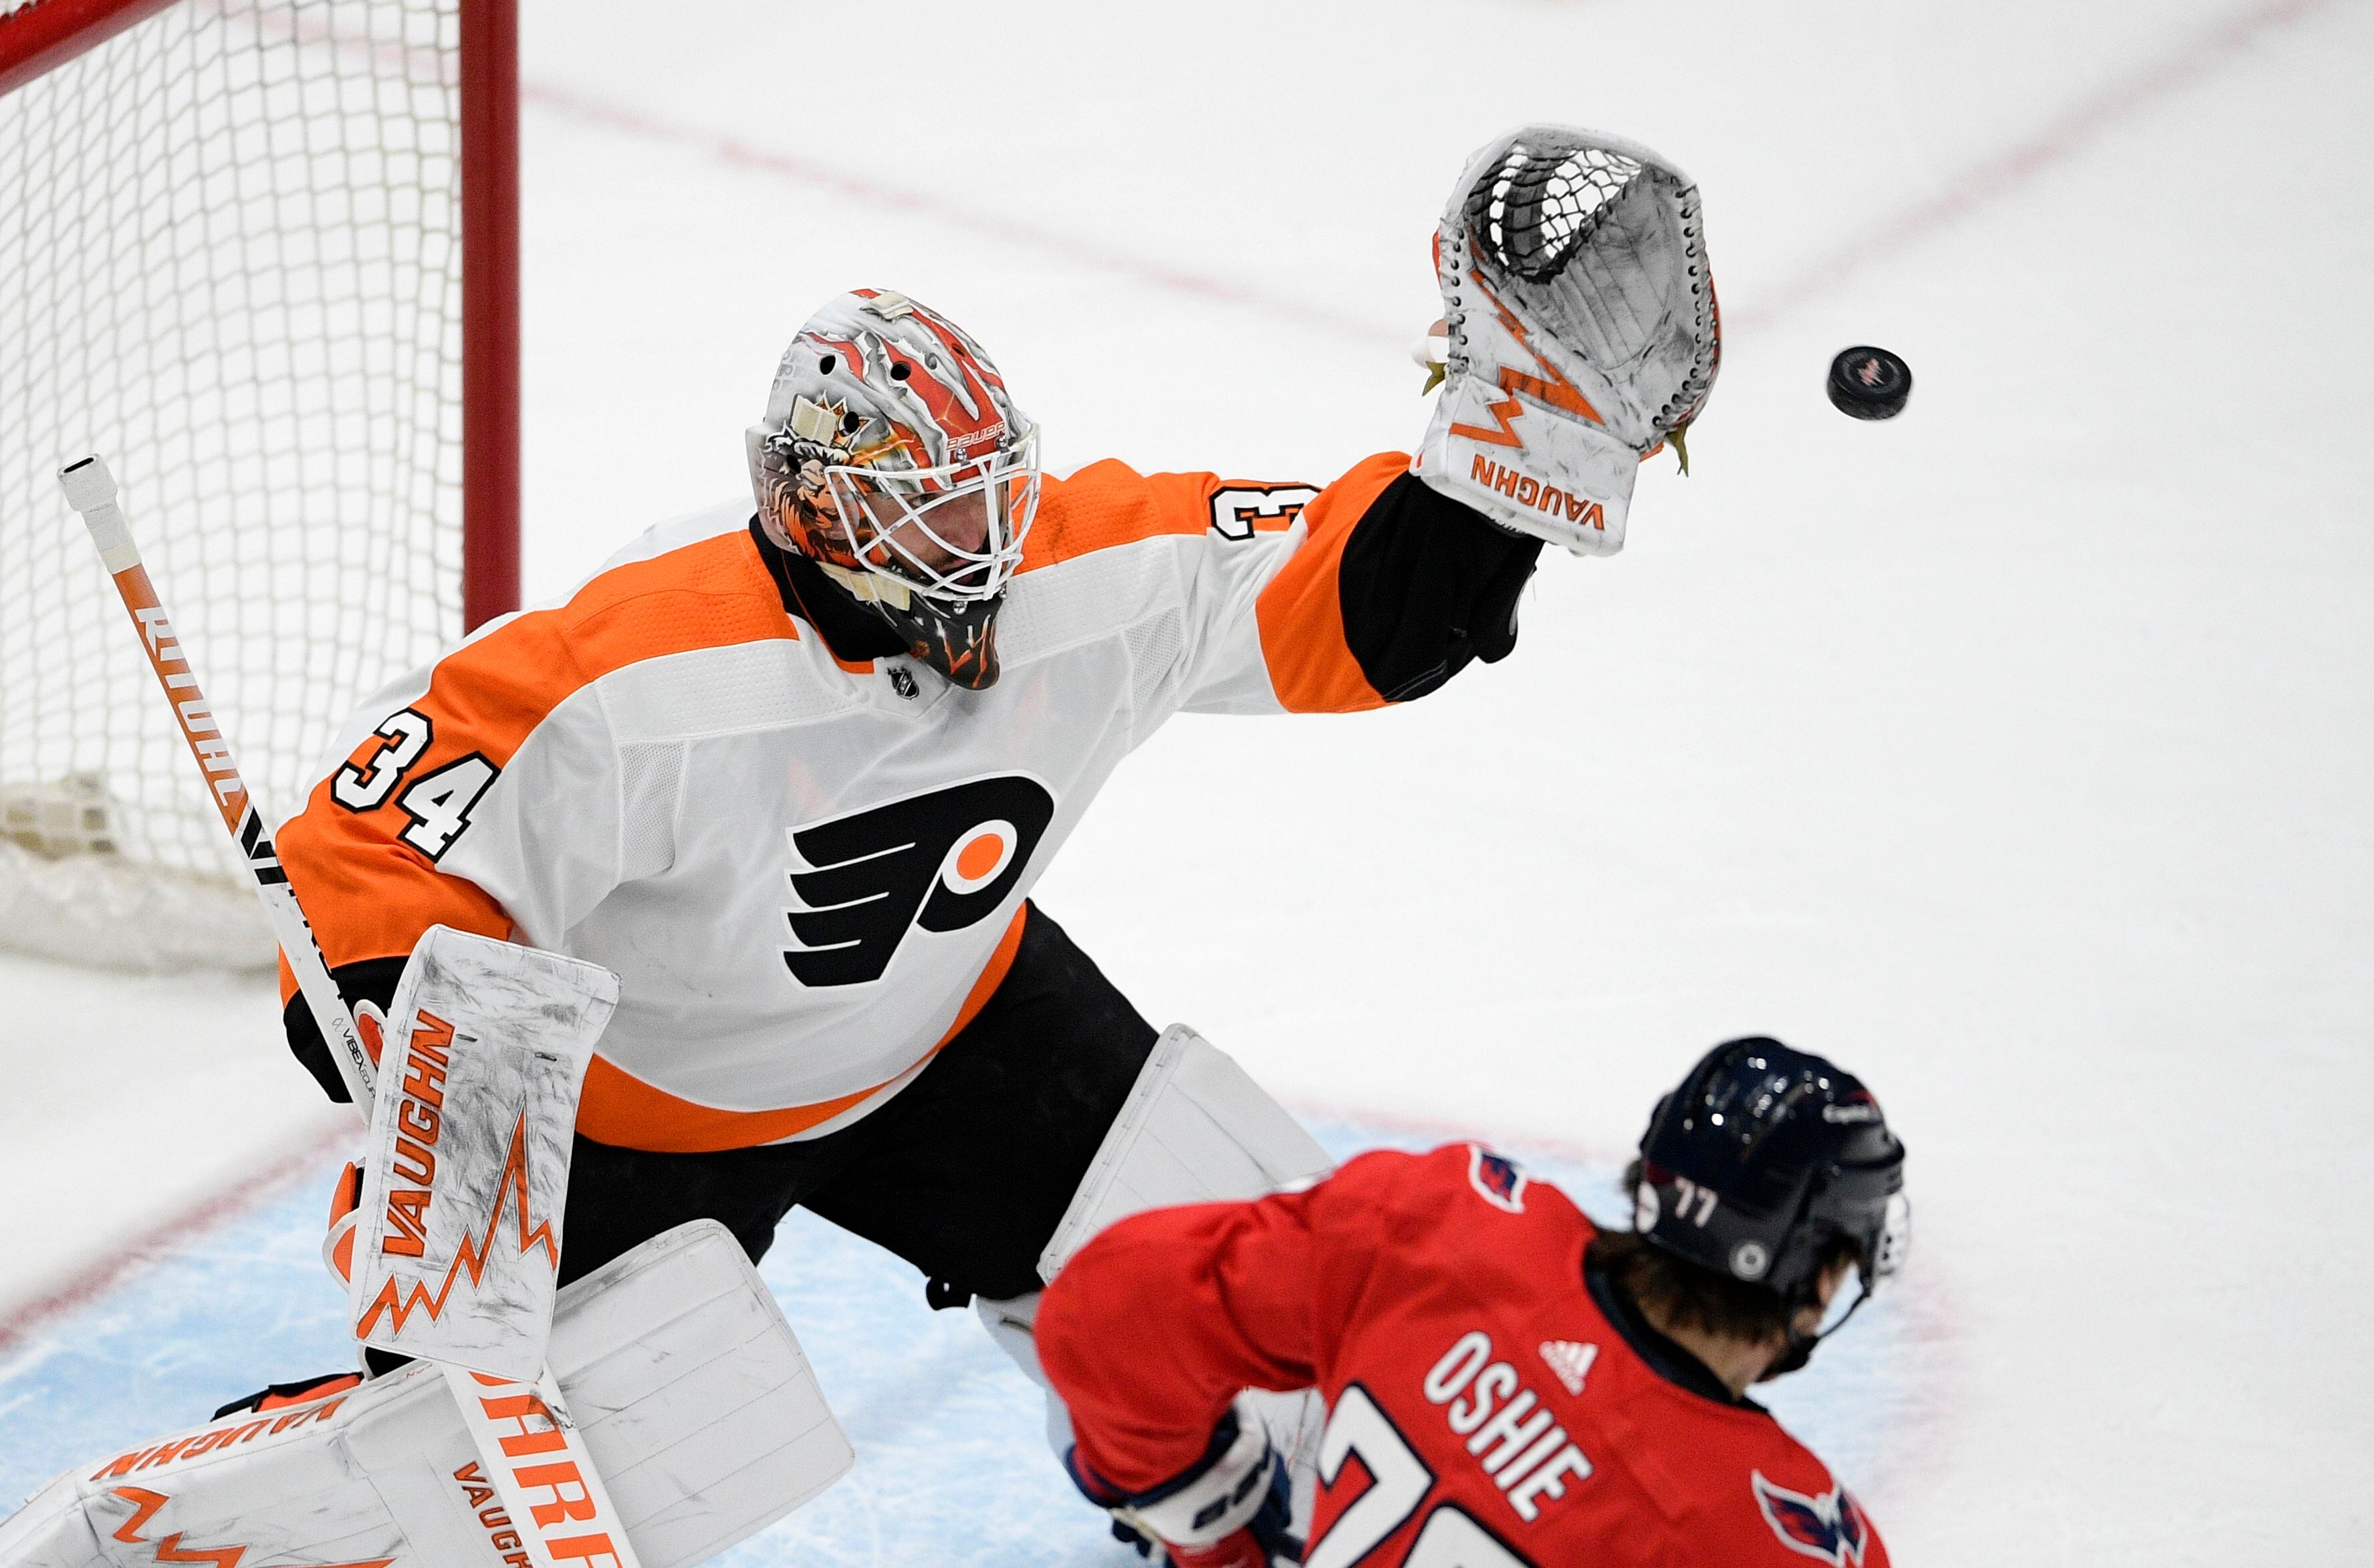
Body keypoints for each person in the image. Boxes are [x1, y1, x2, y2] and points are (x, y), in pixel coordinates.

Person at [270, 123, 1719, 1464]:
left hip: (954, 1025)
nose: (982, 542)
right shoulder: (643, 669)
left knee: (1238, 1289)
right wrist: (405, 1025)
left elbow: (1358, 607)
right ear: (821, 506)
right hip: (653, 1113)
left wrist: (1506, 473)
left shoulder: (1078, 565)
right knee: (527, 1466)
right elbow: (369, 833)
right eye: (932, 510)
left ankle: (1244, 1504)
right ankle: (401, 1443)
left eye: (989, 493)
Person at [1036, 1037, 1911, 1568]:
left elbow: (1110, 1314)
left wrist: (1215, 1541)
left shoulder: (1444, 1227)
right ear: (1818, 1275)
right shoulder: (1781, 1547)